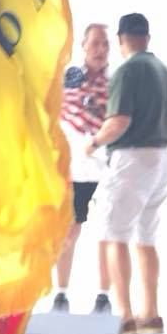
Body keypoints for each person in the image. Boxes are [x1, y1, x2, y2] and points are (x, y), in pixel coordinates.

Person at [86, 13, 167, 334]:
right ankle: (151, 313)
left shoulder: (127, 70)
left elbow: (119, 122)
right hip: (162, 159)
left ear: (121, 40)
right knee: (146, 238)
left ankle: (124, 316)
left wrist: (93, 142)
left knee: (115, 236)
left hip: (131, 160)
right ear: (147, 38)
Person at [53, 23, 113, 314]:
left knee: (107, 232)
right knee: (69, 231)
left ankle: (103, 296)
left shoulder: (116, 81)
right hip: (74, 168)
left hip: (106, 166)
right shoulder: (70, 76)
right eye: (95, 44)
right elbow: (55, 112)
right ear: (84, 47)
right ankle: (60, 294)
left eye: (105, 44)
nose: (100, 50)